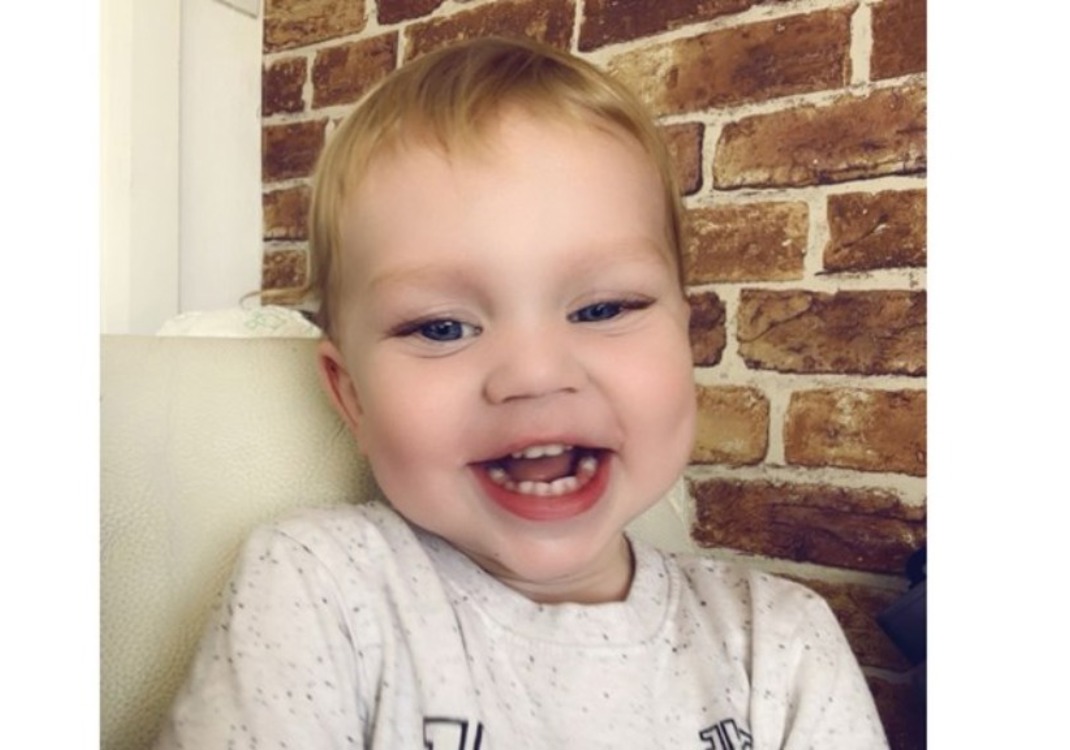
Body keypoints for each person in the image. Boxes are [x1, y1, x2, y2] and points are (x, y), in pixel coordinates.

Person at [155, 37, 889, 749]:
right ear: (353, 400)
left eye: (603, 309)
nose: (535, 374)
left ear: (687, 340)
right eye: (442, 327)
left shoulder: (780, 645)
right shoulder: (323, 588)